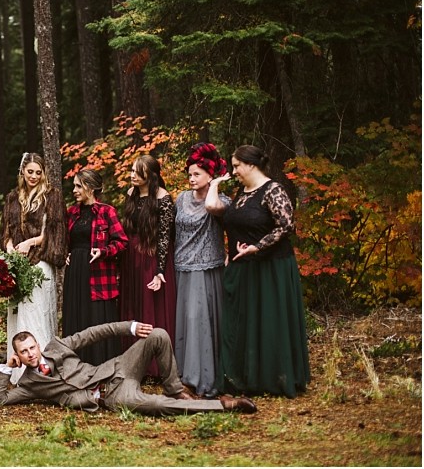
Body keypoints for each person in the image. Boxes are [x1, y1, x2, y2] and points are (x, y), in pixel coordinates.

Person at [208, 145, 310, 398]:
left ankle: (274, 377)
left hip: (270, 268)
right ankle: (243, 378)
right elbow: (225, 218)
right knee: (242, 323)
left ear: (251, 165)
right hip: (243, 268)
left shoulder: (273, 190)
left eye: (237, 166)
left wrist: (257, 246)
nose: (234, 171)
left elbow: (287, 225)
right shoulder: (241, 192)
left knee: (268, 321)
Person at [0, 321, 257, 416]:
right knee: (155, 406)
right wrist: (5, 367)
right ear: (19, 357)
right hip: (111, 395)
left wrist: (128, 327)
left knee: (158, 335)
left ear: (38, 344)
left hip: (116, 368)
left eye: (32, 348)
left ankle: (176, 389)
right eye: (23, 352)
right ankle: (223, 406)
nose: (30, 354)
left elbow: (93, 333)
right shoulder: (28, 384)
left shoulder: (57, 346)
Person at [0, 153, 68, 383]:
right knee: (17, 316)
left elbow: (53, 232)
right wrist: (9, 251)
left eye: (38, 172)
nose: (34, 176)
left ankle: (42, 371)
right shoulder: (12, 197)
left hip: (39, 262)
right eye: (30, 172)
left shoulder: (52, 196)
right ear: (23, 172)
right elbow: (7, 230)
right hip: (18, 265)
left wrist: (30, 243)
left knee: (36, 313)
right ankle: (17, 372)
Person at [173, 143, 230, 397]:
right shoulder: (181, 198)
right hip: (182, 268)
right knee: (186, 322)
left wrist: (215, 185)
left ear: (210, 174)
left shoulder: (221, 200)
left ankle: (203, 379)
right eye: (190, 174)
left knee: (201, 322)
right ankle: (185, 376)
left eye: (197, 174)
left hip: (206, 269)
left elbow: (213, 208)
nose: (191, 178)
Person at [118, 155, 177, 377]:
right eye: (131, 170)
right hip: (130, 257)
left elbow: (164, 238)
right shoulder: (131, 194)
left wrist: (160, 270)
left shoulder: (163, 198)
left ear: (150, 176)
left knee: (151, 306)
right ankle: (133, 360)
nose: (132, 175)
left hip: (152, 256)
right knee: (132, 304)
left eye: (137, 172)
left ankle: (154, 364)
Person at [63, 168, 127, 365]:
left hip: (98, 273)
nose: (74, 190)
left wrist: (104, 252)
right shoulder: (72, 212)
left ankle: (103, 366)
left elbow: (122, 242)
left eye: (78, 186)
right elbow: (67, 241)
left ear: (90, 188)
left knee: (98, 317)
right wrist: (66, 253)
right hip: (75, 272)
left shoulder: (107, 211)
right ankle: (76, 365)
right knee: (76, 316)